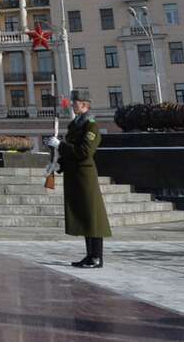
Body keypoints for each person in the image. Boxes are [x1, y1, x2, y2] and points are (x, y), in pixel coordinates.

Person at [54, 97, 110, 267]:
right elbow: (71, 152)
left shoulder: (91, 125)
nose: (72, 105)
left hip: (85, 176)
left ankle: (96, 257)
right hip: (74, 175)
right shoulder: (76, 124)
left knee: (92, 215)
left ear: (85, 104)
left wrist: (61, 146)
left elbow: (85, 151)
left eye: (75, 102)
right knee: (85, 216)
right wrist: (59, 164)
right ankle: (89, 255)